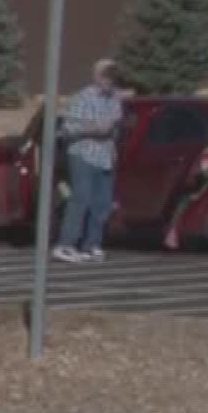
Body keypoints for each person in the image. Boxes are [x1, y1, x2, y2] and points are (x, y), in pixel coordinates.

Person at [53, 58, 128, 264]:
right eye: (106, 76)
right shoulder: (81, 98)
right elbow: (66, 129)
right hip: (83, 153)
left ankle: (91, 245)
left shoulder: (114, 99)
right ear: (96, 76)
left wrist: (110, 129)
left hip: (106, 156)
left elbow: (115, 123)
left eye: (112, 77)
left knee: (102, 204)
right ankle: (65, 245)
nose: (109, 81)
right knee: (81, 199)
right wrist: (93, 128)